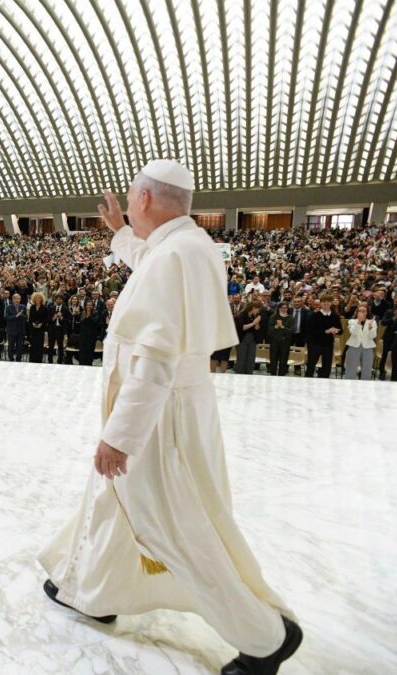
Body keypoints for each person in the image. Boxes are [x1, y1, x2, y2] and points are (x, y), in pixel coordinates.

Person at [39, 160, 301, 675]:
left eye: (131, 199)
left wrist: (120, 437)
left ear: (144, 200)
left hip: (158, 422)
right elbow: (149, 262)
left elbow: (154, 361)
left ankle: (265, 637)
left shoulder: (174, 256)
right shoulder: (187, 247)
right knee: (116, 506)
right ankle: (91, 592)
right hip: (173, 409)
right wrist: (119, 235)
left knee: (169, 529)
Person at [305, 294, 341, 378]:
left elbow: (340, 330)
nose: (326, 303)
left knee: (327, 366)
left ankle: (324, 384)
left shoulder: (335, 316)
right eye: (324, 302)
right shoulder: (313, 316)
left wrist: (336, 331)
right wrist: (326, 331)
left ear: (331, 303)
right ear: (320, 303)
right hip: (314, 344)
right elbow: (311, 331)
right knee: (311, 365)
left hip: (328, 344)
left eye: (328, 302)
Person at [343, 304, 377, 380]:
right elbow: (353, 333)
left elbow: (373, 336)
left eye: (363, 311)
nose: (361, 313)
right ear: (357, 312)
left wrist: (370, 327)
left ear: (367, 312)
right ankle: (348, 385)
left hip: (368, 347)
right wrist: (359, 322)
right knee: (351, 368)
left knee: (367, 369)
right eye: (359, 311)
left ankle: (365, 388)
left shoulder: (372, 322)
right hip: (354, 346)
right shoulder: (352, 321)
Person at [234, 303, 262, 375]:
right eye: (257, 309)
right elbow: (242, 328)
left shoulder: (254, 316)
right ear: (252, 308)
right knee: (242, 358)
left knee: (251, 358)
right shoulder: (241, 315)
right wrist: (253, 323)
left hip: (252, 339)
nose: (258, 311)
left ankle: (249, 373)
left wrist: (257, 323)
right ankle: (240, 374)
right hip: (242, 339)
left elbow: (257, 329)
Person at [267, 303, 293, 376]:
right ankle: (273, 375)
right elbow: (269, 331)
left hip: (285, 342)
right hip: (274, 341)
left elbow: (291, 331)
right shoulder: (273, 317)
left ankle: (282, 376)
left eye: (285, 307)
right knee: (273, 360)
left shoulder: (290, 318)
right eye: (282, 307)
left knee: (283, 360)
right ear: (279, 308)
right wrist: (276, 326)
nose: (283, 309)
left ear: (287, 308)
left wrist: (282, 326)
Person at [4, 293, 27, 362]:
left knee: (19, 346)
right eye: (16, 298)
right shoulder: (8, 307)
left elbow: (26, 318)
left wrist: (21, 315)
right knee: (11, 346)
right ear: (13, 299)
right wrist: (16, 316)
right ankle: (11, 359)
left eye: (19, 299)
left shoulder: (23, 307)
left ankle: (18, 359)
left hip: (20, 330)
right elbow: (6, 318)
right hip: (11, 330)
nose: (17, 300)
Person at [27, 292, 49, 363]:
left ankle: (38, 360)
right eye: (36, 298)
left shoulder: (44, 308)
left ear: (41, 299)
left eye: (39, 298)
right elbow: (30, 318)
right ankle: (32, 360)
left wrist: (41, 324)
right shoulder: (32, 307)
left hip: (41, 329)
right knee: (33, 345)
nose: (37, 299)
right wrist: (32, 323)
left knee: (39, 345)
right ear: (34, 299)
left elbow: (46, 318)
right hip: (33, 329)